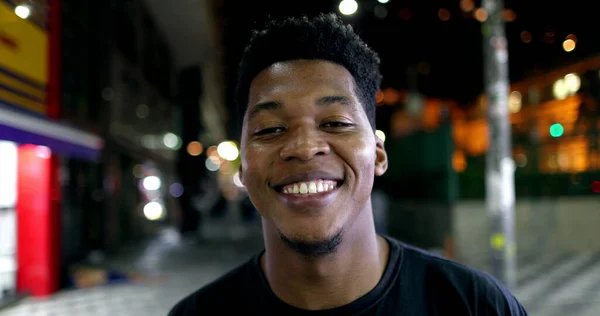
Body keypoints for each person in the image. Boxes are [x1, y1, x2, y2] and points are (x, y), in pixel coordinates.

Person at [168, 13, 528, 315]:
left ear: (379, 154)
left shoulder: (476, 306)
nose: (305, 147)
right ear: (243, 169)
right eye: (271, 129)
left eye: (335, 123)